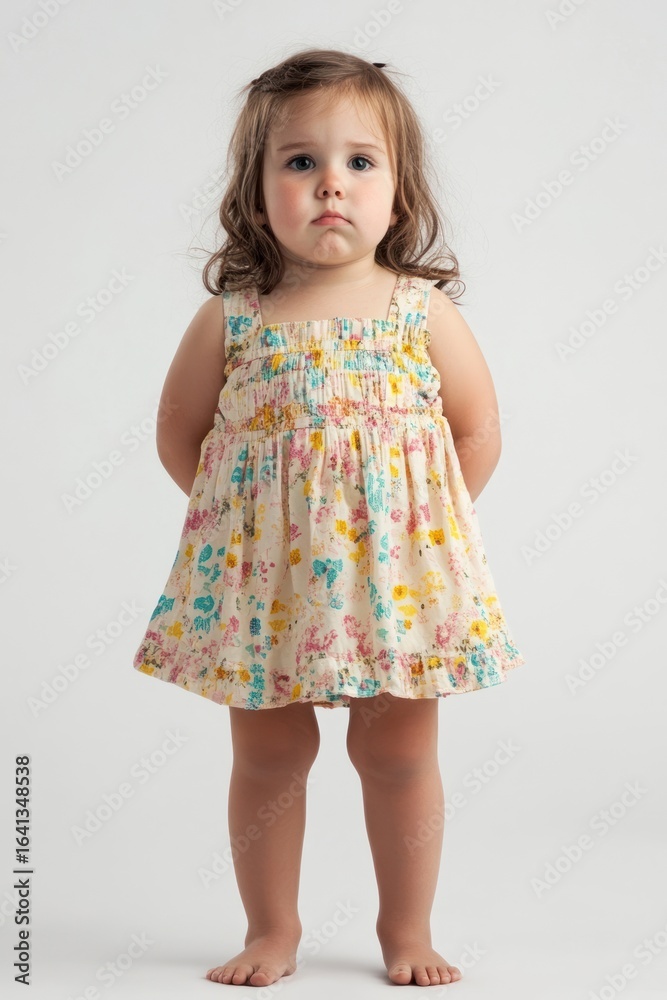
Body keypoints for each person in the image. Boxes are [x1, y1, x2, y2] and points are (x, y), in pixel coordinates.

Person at [132, 48, 526, 989]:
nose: (330, 185)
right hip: (265, 583)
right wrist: (247, 528)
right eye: (300, 162)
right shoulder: (235, 317)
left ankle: (405, 931)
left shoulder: (419, 310)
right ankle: (271, 930)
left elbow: (476, 431)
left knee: (398, 755)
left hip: (396, 581)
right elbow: (180, 434)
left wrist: (418, 531)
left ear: (399, 188)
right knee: (269, 757)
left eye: (359, 161)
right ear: (255, 190)